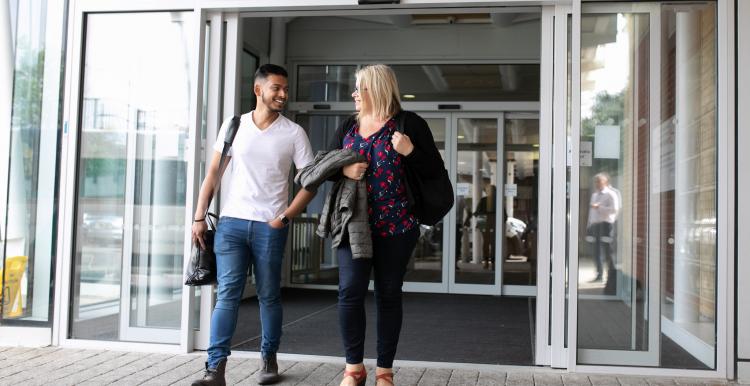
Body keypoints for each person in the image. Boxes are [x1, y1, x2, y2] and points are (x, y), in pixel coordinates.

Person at [190, 64, 315, 386]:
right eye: (276, 88)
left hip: (269, 227)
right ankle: (214, 368)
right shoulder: (234, 125)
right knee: (227, 295)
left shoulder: (293, 133)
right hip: (231, 223)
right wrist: (199, 216)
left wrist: (285, 217)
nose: (283, 94)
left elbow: (311, 183)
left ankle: (268, 360)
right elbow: (214, 174)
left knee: (269, 295)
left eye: (285, 89)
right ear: (258, 90)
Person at [328, 64, 445, 386]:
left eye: (359, 88)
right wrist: (343, 172)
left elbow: (434, 169)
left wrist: (410, 151)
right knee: (350, 292)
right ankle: (353, 368)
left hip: (397, 227)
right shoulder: (348, 127)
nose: (353, 94)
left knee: (388, 294)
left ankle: (384, 371)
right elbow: (327, 165)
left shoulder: (409, 125)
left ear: (375, 90)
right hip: (354, 225)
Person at [586, 172, 620, 282]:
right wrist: (590, 224)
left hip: (606, 224)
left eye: (599, 181)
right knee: (596, 252)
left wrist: (600, 208)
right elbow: (592, 212)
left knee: (608, 251)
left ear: (605, 182)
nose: (596, 184)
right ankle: (599, 275)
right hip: (595, 225)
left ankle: (612, 276)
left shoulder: (611, 194)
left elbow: (615, 209)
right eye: (596, 182)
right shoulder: (594, 195)